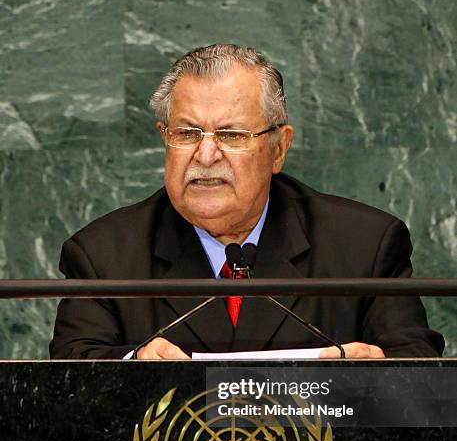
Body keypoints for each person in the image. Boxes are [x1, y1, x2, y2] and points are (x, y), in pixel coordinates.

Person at [50, 44, 444, 360]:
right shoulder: (102, 256)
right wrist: (134, 365)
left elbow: (418, 365)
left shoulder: (364, 245)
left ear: (279, 148)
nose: (205, 156)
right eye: (187, 134)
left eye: (232, 135)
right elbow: (67, 377)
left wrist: (375, 373)